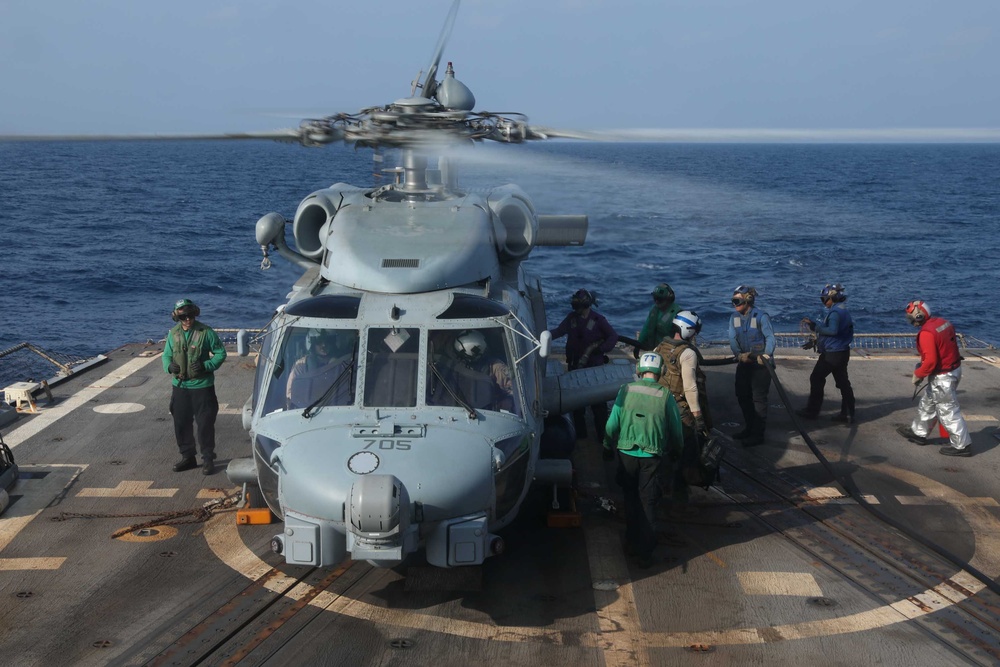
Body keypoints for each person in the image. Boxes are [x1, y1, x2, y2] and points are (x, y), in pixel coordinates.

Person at [603, 352, 685, 568]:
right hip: (652, 456)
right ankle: (645, 552)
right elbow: (676, 432)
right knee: (648, 502)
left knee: (630, 499)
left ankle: (630, 542)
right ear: (661, 372)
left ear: (639, 370)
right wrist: (677, 451)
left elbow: (612, 424)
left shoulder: (625, 389)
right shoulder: (665, 396)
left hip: (626, 453)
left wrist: (606, 445)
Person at [896, 301, 972, 457]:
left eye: (912, 317)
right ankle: (919, 433)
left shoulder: (926, 333)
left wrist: (918, 374)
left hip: (942, 377)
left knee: (947, 411)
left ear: (918, 315)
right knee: (928, 402)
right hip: (954, 369)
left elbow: (930, 362)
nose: (911, 320)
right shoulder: (943, 323)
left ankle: (962, 445)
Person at [163, 299, 227, 475]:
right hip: (180, 386)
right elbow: (166, 355)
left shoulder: (206, 332)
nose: (188, 319)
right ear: (177, 317)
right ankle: (188, 457)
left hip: (202, 387)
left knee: (205, 424)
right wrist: (169, 367)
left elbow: (220, 353)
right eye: (183, 316)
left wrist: (206, 365)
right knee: (181, 423)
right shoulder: (173, 334)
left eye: (190, 315)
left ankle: (207, 459)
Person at [654, 310, 712, 498]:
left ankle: (660, 487)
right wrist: (698, 416)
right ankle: (679, 490)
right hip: (680, 409)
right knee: (686, 450)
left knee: (662, 448)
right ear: (689, 331)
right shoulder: (687, 353)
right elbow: (690, 387)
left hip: (659, 405)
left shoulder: (661, 346)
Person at [548, 289, 619, 439]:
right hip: (575, 366)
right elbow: (559, 331)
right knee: (577, 406)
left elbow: (613, 336)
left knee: (598, 405)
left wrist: (600, 349)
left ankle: (602, 437)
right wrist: (544, 336)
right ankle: (581, 437)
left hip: (594, 368)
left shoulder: (598, 320)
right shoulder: (571, 318)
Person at [796, 283, 856, 423]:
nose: (823, 302)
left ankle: (812, 411)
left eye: (824, 299)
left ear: (832, 298)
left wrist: (815, 327)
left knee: (816, 378)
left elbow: (833, 331)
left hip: (832, 354)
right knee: (843, 383)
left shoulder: (835, 313)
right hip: (842, 352)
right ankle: (848, 413)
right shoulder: (842, 310)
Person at [728, 285, 776, 447]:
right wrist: (739, 355)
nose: (734, 304)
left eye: (737, 301)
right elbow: (733, 339)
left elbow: (770, 338)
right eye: (733, 301)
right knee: (742, 395)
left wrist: (766, 355)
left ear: (748, 300)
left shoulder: (761, 317)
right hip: (744, 363)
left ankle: (758, 434)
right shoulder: (734, 318)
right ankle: (749, 428)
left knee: (758, 399)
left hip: (761, 366)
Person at [427, 329, 514, 413]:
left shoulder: (495, 368)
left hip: (485, 413)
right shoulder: (445, 364)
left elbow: (512, 393)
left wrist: (507, 401)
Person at [286, 329, 355, 409]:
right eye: (319, 342)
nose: (323, 345)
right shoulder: (301, 365)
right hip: (308, 410)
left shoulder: (343, 364)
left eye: (328, 341)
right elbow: (290, 393)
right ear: (311, 344)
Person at [636, 283, 681, 353]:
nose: (656, 301)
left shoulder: (677, 313)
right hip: (652, 350)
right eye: (655, 298)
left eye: (660, 299)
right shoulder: (654, 310)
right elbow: (646, 329)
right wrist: (638, 345)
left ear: (669, 298)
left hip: (669, 351)